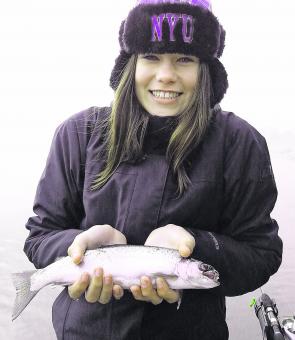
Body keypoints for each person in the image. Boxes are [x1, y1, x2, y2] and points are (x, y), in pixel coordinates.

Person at [23, 0, 283, 339]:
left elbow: (261, 254)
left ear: (205, 69)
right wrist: (79, 247)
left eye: (184, 59)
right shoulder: (77, 134)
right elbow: (40, 236)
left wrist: (197, 244)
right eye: (151, 56)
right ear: (130, 63)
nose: (166, 75)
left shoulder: (240, 144)